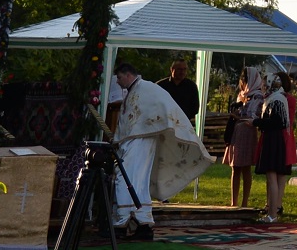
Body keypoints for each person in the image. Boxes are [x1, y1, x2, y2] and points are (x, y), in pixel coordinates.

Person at [107, 63, 210, 240]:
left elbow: (166, 106)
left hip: (141, 141)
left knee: (128, 179)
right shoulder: (136, 89)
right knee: (133, 180)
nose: (117, 81)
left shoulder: (147, 88)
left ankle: (126, 223)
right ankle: (141, 223)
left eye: (119, 77)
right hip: (134, 141)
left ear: (128, 75)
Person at [252, 71, 296, 220]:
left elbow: (276, 122)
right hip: (273, 138)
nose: (263, 87)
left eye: (265, 84)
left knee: (273, 177)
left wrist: (255, 122)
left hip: (274, 139)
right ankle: (271, 210)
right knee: (272, 177)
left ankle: (273, 212)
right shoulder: (274, 98)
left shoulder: (277, 100)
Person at [224, 72, 259, 212]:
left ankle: (244, 202)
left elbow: (254, 115)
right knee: (235, 167)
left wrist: (239, 117)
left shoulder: (257, 96)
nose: (242, 84)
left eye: (244, 80)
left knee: (245, 168)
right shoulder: (241, 95)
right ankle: (234, 201)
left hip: (248, 132)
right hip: (237, 133)